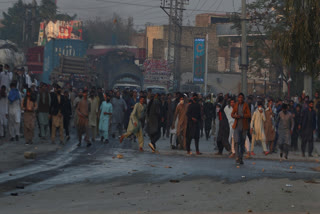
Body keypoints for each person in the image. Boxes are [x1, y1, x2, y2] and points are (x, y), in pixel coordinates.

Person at [231, 93, 251, 165]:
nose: (240, 99)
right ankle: (237, 156)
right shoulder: (236, 105)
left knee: (242, 143)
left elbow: (249, 115)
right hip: (236, 125)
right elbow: (232, 114)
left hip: (244, 126)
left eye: (242, 97)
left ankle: (241, 157)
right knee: (236, 141)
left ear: (243, 98)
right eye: (239, 97)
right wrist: (235, 116)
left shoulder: (246, 105)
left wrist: (242, 115)